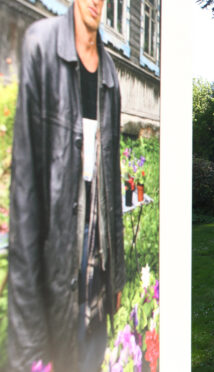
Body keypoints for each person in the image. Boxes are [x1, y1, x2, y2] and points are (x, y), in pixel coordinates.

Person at [8, 0, 125, 369]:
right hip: (57, 271)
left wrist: (116, 276)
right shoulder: (41, 46)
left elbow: (112, 178)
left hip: (97, 278)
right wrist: (27, 341)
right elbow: (24, 193)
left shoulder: (109, 75)